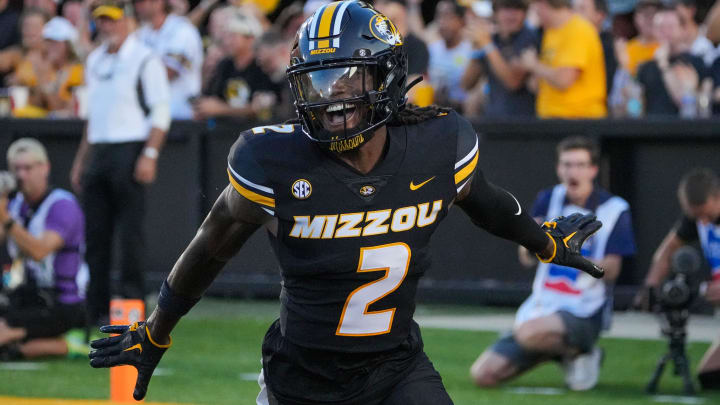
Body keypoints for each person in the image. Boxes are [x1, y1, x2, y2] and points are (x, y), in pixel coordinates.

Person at [87, 3, 604, 404]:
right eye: (317, 80)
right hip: (302, 378)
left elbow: (485, 202)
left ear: (388, 78)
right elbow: (209, 247)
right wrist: (156, 331)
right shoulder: (274, 160)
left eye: (349, 79)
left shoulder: (435, 145)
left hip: (396, 366)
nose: (331, 100)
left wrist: (544, 241)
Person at [470, 136, 635, 391]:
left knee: (528, 333)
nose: (573, 171)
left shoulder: (615, 209)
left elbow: (612, 269)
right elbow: (524, 257)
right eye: (567, 164)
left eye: (580, 165)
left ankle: (581, 348)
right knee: (483, 375)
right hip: (541, 307)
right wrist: (530, 242)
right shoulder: (549, 199)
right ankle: (568, 353)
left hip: (584, 310)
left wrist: (571, 256)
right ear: (559, 168)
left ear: (593, 169)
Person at [70, 2, 171, 326]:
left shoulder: (145, 58)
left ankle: (132, 311)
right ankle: (95, 310)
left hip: (130, 149)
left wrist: (149, 154)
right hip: (99, 149)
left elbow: (161, 112)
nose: (107, 26)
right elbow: (92, 118)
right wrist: (81, 160)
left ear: (127, 21)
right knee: (95, 237)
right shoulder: (96, 60)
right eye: (101, 21)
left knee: (130, 238)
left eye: (112, 20)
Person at [0, 138, 88, 360]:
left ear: (45, 168)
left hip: (62, 302)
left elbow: (40, 251)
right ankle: (21, 342)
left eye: (28, 168)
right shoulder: (15, 204)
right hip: (27, 296)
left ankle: (71, 343)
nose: (21, 175)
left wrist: (6, 220)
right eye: (16, 169)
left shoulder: (62, 205)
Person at [635, 168, 720, 390]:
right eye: (696, 216)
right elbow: (667, 252)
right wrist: (651, 289)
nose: (702, 220)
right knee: (710, 377)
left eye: (707, 214)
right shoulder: (696, 219)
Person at [518, 0, 607, 118]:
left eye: (535, 7)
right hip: (552, 119)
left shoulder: (578, 30)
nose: (535, 13)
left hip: (578, 120)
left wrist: (534, 65)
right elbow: (538, 83)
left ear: (544, 4)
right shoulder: (551, 32)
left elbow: (564, 80)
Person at [193, 8, 281, 120]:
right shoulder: (225, 65)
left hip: (255, 132)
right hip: (222, 133)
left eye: (233, 36)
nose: (227, 41)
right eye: (227, 36)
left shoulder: (263, 67)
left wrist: (221, 109)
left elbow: (261, 108)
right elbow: (210, 100)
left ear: (250, 38)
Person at [460, 0, 539, 117]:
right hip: (493, 122)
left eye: (518, 8)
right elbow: (466, 84)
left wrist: (487, 45)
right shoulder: (492, 39)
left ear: (525, 12)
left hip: (524, 124)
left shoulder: (529, 37)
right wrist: (476, 49)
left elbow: (513, 82)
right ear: (495, 12)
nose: (511, 15)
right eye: (506, 8)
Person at [135, 0, 204, 119]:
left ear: (158, 3)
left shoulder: (182, 30)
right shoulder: (142, 33)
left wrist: (132, 77)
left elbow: (169, 73)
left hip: (181, 115)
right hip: (152, 116)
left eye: (142, 2)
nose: (137, 6)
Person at [637, 6, 709, 116]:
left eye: (670, 27)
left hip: (684, 129)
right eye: (660, 27)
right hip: (651, 128)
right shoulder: (646, 67)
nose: (665, 33)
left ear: (682, 29)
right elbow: (636, 107)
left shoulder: (694, 62)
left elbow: (684, 102)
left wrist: (664, 64)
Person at [427, 0, 473, 111]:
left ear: (462, 21)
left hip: (463, 111)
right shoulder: (431, 49)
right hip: (433, 108)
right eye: (439, 17)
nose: (442, 22)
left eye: (448, 17)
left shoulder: (470, 51)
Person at [574, 0, 617, 98]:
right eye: (574, 9)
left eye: (582, 9)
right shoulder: (569, 40)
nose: (575, 14)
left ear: (600, 15)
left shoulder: (609, 46)